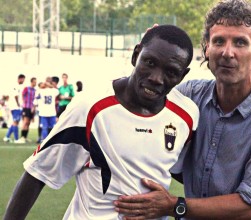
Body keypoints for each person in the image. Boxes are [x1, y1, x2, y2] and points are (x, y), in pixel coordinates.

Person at [114, 0, 251, 219]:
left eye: (240, 42)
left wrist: (173, 206)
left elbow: (250, 209)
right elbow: (141, 103)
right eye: (219, 41)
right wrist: (151, 54)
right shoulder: (188, 96)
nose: (227, 52)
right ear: (206, 49)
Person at [4, 25, 199, 220]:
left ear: (182, 75)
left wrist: (172, 204)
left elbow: (176, 169)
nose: (156, 78)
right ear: (135, 55)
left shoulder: (187, 115)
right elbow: (37, 174)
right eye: (149, 62)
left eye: (171, 71)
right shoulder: (90, 107)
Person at [3, 74, 25, 143]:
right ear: (20, 78)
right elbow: (15, 96)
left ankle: (7, 137)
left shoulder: (17, 86)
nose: (23, 81)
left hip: (14, 107)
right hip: (15, 107)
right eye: (23, 79)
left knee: (14, 122)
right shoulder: (16, 86)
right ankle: (16, 139)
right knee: (16, 122)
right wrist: (18, 104)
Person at [15, 77, 37, 144]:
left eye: (36, 82)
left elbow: (35, 100)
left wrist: (33, 108)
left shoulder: (35, 90)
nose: (35, 83)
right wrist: (23, 103)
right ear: (32, 82)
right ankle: (22, 137)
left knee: (28, 123)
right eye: (34, 82)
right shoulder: (26, 88)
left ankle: (25, 137)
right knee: (25, 122)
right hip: (26, 108)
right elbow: (22, 95)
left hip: (31, 108)